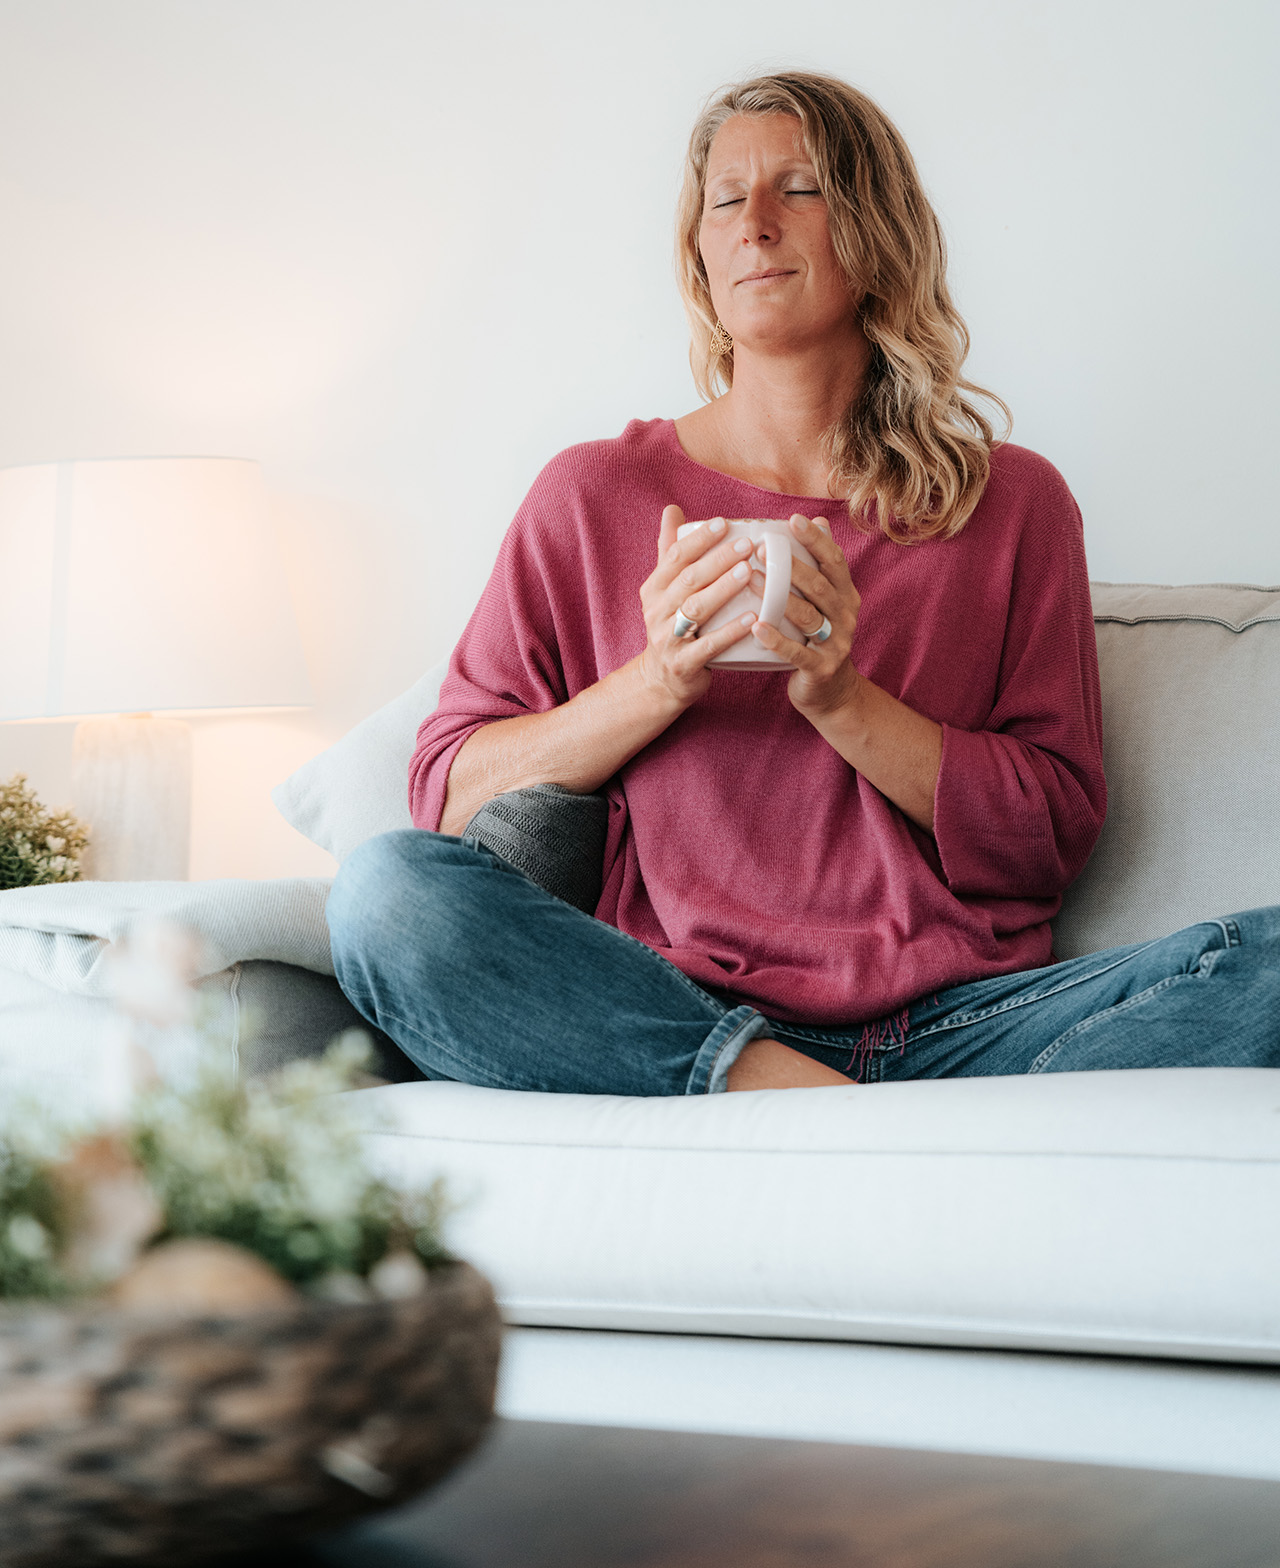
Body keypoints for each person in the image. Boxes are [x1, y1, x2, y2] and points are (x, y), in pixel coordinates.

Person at [328, 72, 1280, 1093]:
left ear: (874, 233)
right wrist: (655, 681)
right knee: (386, 894)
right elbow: (448, 792)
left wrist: (839, 696)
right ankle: (779, 1093)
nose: (755, 223)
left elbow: (1046, 838)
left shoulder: (1010, 503)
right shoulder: (592, 494)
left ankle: (782, 1105)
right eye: (726, 199)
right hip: (673, 1002)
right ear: (699, 245)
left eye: (802, 188)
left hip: (961, 1025)